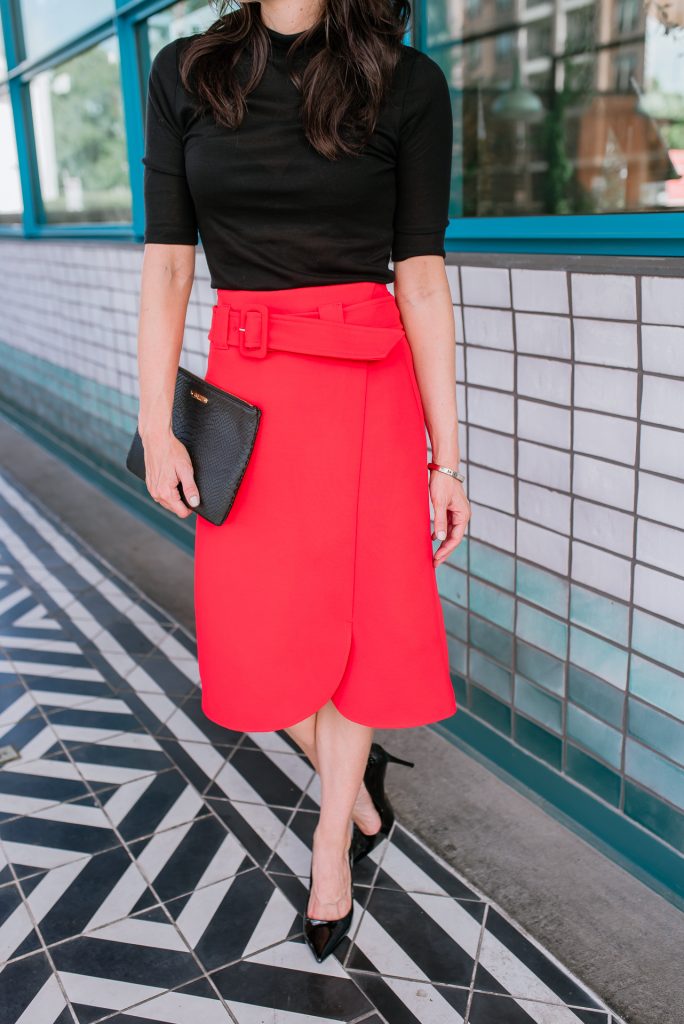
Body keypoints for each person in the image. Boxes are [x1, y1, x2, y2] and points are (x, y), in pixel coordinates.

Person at [135, 0, 471, 963]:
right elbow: (167, 266)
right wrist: (156, 424)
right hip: (245, 398)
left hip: (370, 393)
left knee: (363, 631)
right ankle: (355, 784)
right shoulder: (188, 71)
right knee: (255, 639)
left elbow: (421, 277)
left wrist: (449, 459)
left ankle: (331, 843)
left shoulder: (406, 81)